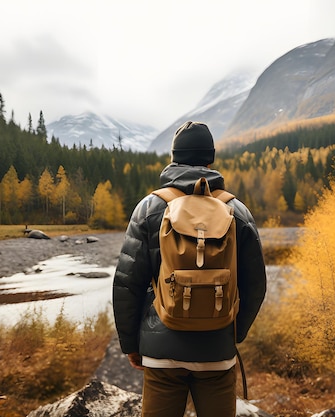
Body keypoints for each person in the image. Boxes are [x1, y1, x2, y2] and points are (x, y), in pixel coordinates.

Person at [112, 121, 267, 417]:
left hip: (161, 355)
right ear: (210, 160)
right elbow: (256, 285)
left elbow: (127, 283)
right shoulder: (238, 211)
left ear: (174, 159)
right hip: (217, 354)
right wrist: (235, 332)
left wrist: (132, 344)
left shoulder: (149, 208)